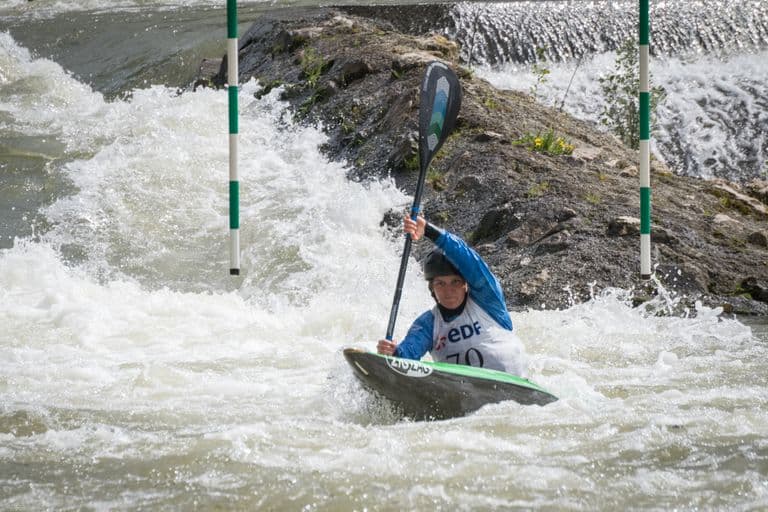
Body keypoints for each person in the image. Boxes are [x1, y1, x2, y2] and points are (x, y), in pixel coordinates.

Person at [377, 215, 525, 375]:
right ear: (432, 288)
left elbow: (469, 259)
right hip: (464, 387)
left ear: (466, 284)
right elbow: (408, 356)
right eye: (440, 284)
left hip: (514, 382)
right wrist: (394, 354)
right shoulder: (428, 324)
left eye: (455, 282)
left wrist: (429, 230)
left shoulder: (487, 299)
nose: (448, 290)